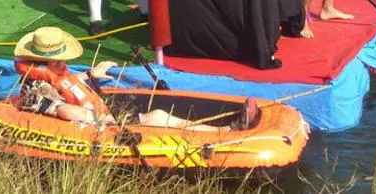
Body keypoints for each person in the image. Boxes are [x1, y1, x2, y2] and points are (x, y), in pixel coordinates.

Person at [12, 27, 223, 130]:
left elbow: (63, 85)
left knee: (158, 111)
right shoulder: (36, 89)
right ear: (47, 63)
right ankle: (221, 132)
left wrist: (90, 74)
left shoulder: (45, 77)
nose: (64, 63)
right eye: (60, 60)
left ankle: (217, 129)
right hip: (93, 126)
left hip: (94, 116)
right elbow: (64, 109)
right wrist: (108, 119)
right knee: (158, 117)